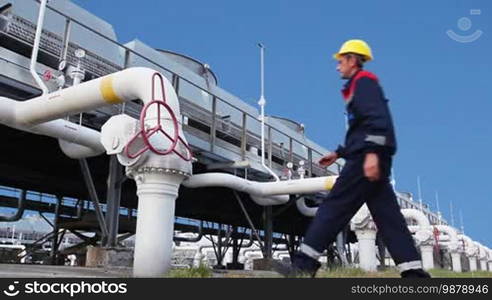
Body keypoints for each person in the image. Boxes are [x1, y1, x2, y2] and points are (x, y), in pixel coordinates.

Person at [274, 39, 430, 278]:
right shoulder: (359, 85)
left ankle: (303, 265)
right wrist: (339, 153)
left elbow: (377, 121)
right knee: (389, 218)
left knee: (334, 207)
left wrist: (370, 155)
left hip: (365, 159)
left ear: (352, 60)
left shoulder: (364, 83)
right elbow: (361, 128)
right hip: (369, 156)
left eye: (341, 61)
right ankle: (414, 274)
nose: (338, 66)